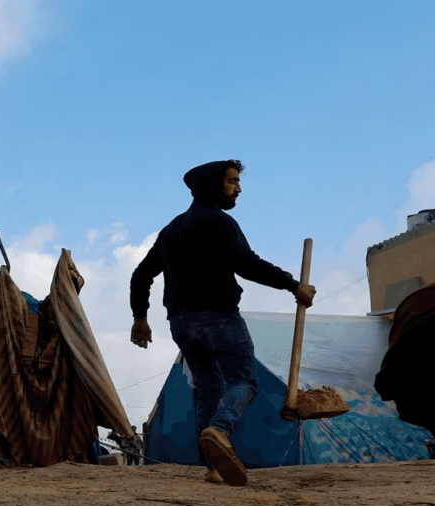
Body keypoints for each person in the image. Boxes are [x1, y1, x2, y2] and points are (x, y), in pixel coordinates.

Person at [129, 160, 316, 486]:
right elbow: (247, 264)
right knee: (244, 381)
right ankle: (220, 430)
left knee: (209, 388)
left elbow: (141, 275)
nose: (238, 189)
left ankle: (214, 467)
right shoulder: (220, 223)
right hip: (219, 317)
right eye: (232, 182)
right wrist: (293, 285)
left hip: (182, 324)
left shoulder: (172, 229)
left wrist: (140, 318)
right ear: (213, 186)